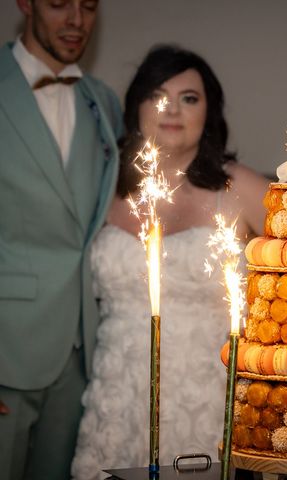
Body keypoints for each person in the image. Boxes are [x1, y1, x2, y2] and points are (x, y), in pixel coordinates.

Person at [71, 45, 268, 478]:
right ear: (136, 107)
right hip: (116, 398)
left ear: (209, 111)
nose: (172, 109)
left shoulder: (239, 188)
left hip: (210, 398)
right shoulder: (101, 185)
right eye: (158, 95)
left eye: (189, 98)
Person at [0, 1, 122, 479]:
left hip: (82, 349)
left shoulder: (103, 101)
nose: (76, 20)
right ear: (24, 4)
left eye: (88, 6)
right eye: (58, 4)